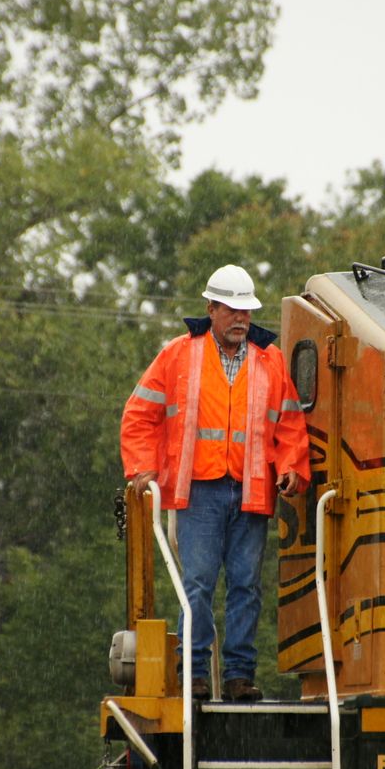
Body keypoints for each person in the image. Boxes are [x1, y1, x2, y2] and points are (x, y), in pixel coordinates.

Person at [120, 265, 310, 702]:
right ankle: (195, 673)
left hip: (252, 488)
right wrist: (142, 468)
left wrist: (291, 467)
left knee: (245, 584)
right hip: (198, 490)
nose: (241, 318)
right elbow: (139, 414)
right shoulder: (178, 355)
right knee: (200, 583)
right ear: (211, 309)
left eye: (246, 309)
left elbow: (290, 425)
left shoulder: (271, 360)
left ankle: (241, 676)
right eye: (231, 309)